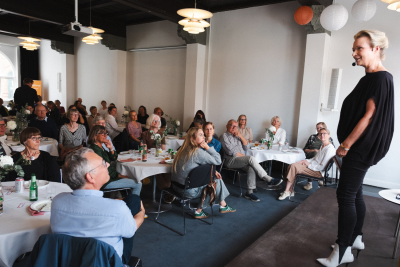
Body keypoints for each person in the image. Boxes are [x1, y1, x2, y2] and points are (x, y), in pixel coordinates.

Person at [318, 30, 394, 267]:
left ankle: (342, 251)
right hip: (359, 147)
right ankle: (356, 238)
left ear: (375, 49)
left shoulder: (381, 78)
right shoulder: (369, 78)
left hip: (359, 148)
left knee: (346, 195)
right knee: (356, 192)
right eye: (354, 48)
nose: (354, 53)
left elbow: (369, 117)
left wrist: (345, 145)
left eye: (359, 48)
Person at [51, 148, 145, 265]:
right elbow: (131, 229)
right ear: (90, 177)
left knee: (131, 200)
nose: (108, 164)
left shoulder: (57, 202)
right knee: (134, 200)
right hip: (108, 262)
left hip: (67, 260)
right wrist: (141, 212)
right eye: (103, 163)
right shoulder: (117, 209)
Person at [171, 127, 235, 219]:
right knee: (215, 181)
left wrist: (214, 172)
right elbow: (218, 160)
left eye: (203, 135)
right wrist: (207, 147)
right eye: (201, 135)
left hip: (174, 187)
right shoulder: (198, 152)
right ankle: (203, 210)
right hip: (187, 191)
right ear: (192, 138)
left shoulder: (181, 150)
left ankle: (223, 205)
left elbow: (196, 166)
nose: (204, 137)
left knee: (214, 177)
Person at [220, 119, 282, 202]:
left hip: (240, 160)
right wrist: (246, 157)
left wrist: (240, 136)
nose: (234, 128)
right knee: (250, 158)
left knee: (251, 168)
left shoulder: (237, 135)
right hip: (230, 161)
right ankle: (268, 179)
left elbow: (246, 146)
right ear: (227, 126)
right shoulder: (224, 136)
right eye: (232, 126)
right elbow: (231, 152)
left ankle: (249, 192)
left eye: (236, 126)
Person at [278, 128, 335, 200]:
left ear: (329, 135)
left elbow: (322, 167)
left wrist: (308, 165)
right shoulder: (323, 146)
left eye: (324, 133)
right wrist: (304, 161)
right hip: (314, 167)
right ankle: (290, 191)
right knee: (292, 165)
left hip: (318, 172)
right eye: (320, 134)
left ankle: (287, 191)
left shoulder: (330, 148)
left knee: (293, 167)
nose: (322, 135)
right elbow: (314, 159)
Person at [87, 125, 142, 195]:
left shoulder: (99, 147)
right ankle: (133, 204)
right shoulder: (96, 150)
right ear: (95, 135)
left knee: (132, 177)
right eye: (102, 133)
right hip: (106, 181)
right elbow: (104, 168)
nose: (105, 135)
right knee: (138, 183)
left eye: (106, 133)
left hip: (109, 178)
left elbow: (114, 158)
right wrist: (119, 175)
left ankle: (126, 199)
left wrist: (111, 148)